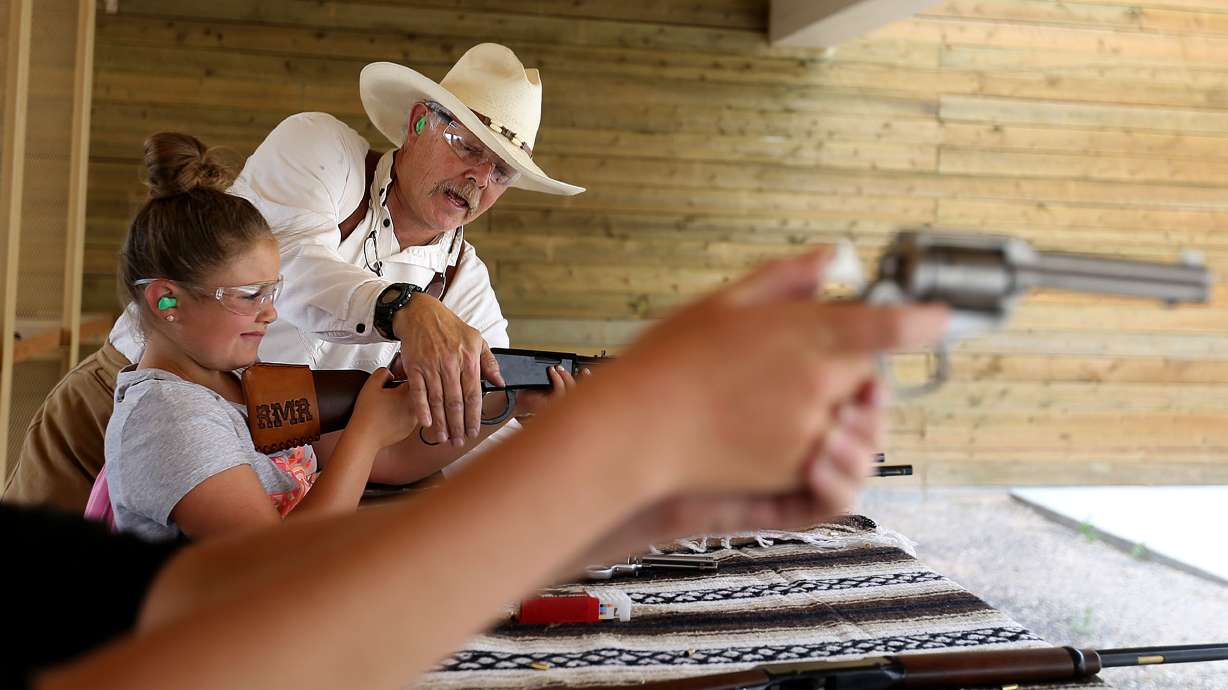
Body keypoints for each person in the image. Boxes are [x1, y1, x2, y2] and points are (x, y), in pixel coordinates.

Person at [7, 248, 948, 689]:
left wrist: (589, 463)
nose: (263, 310)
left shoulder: (463, 280)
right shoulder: (170, 409)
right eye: (247, 295)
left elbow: (210, 596)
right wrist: (608, 447)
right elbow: (231, 636)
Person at [4, 42, 582, 510]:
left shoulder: (465, 283)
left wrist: (541, 421)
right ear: (416, 124)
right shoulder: (321, 147)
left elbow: (476, 405)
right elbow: (298, 277)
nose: (479, 177)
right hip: (125, 403)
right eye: (466, 145)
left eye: (501, 170)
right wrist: (408, 310)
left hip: (275, 463)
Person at [100, 132, 424, 542]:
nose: (270, 312)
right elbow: (278, 563)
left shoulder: (231, 381)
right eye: (250, 296)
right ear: (166, 302)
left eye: (271, 292)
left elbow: (369, 457)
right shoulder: (168, 420)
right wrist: (366, 435)